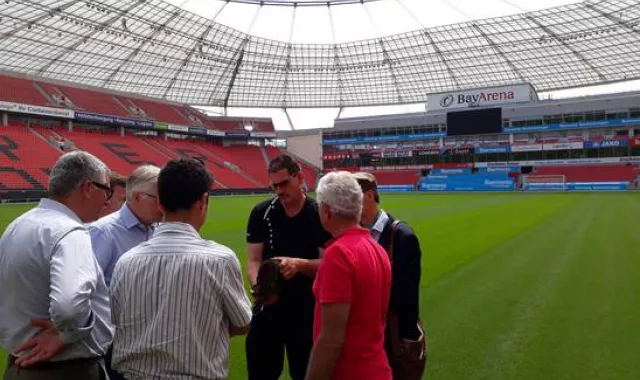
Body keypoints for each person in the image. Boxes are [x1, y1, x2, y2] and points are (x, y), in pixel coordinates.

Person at [109, 158, 252, 380]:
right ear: (203, 200)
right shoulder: (220, 260)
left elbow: (118, 321)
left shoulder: (126, 261)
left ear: (160, 203)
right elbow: (242, 323)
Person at [0, 151, 114, 380]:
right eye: (106, 191)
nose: (107, 201)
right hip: (66, 370)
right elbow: (69, 306)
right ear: (88, 188)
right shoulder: (70, 232)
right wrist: (66, 334)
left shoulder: (18, 225)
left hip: (19, 365)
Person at [245, 154, 332, 380]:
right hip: (268, 308)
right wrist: (259, 287)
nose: (280, 191)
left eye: (284, 183)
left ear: (300, 178)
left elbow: (328, 264)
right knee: (261, 373)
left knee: (305, 373)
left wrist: (298, 265)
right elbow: (253, 260)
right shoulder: (261, 213)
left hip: (306, 310)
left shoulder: (318, 214)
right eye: (275, 186)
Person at [306, 171, 392, 380]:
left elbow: (331, 340)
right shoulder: (376, 248)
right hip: (377, 368)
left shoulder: (339, 254)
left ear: (326, 211)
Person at [352, 171, 424, 376]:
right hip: (363, 337)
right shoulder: (351, 234)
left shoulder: (402, 237)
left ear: (369, 195)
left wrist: (407, 342)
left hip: (390, 340)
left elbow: (408, 298)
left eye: (351, 197)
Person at [89, 164, 163, 287]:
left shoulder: (158, 231)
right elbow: (87, 289)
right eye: (159, 199)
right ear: (137, 197)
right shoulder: (103, 232)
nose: (163, 206)